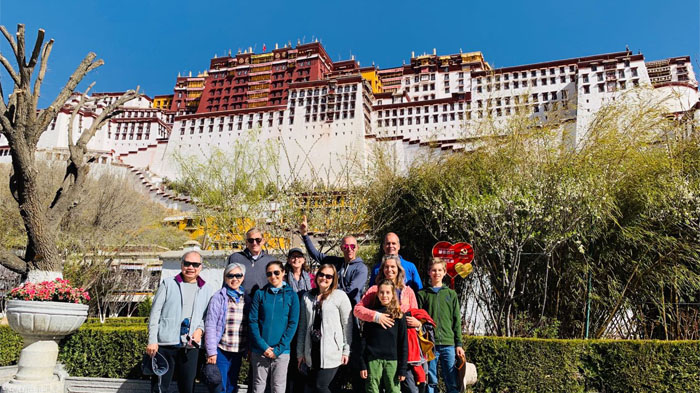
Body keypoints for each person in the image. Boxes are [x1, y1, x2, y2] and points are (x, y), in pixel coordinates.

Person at [299, 215, 368, 391]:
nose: (349, 249)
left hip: (350, 316)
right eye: (345, 246)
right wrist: (305, 235)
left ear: (357, 248)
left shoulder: (360, 268)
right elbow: (317, 255)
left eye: (352, 246)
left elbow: (353, 290)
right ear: (341, 248)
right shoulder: (336, 263)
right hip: (326, 316)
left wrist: (329, 293)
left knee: (352, 361)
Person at [146, 250, 214, 393]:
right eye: (187, 263)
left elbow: (207, 316)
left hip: (190, 346)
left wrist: (200, 330)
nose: (191, 267)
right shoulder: (168, 284)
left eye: (195, 264)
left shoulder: (206, 289)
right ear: (181, 264)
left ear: (201, 267)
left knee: (187, 387)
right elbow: (155, 313)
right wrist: (152, 340)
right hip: (165, 344)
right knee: (159, 387)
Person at [355, 255, 423, 393]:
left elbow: (416, 313)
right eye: (386, 266)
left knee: (407, 386)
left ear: (398, 269)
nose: (389, 269)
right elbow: (357, 310)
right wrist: (376, 316)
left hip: (401, 350)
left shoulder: (408, 291)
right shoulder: (374, 290)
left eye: (393, 267)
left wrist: (418, 323)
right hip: (376, 351)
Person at [297, 264, 353, 393]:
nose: (324, 278)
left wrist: (346, 350)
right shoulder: (307, 297)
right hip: (312, 352)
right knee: (312, 388)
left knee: (321, 386)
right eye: (321, 274)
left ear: (333, 279)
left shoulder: (340, 296)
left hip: (331, 352)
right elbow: (303, 327)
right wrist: (300, 353)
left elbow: (347, 326)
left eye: (329, 276)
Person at [249, 260, 300, 393]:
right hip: (260, 350)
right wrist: (263, 346)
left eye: (276, 272)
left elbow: (292, 324)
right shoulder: (259, 294)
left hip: (282, 351)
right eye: (269, 273)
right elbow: (253, 321)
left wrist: (278, 349)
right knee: (258, 386)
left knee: (278, 387)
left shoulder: (292, 296)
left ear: (283, 272)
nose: (273, 276)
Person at [417, 259, 465, 393]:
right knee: (431, 381)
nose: (436, 273)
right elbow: (419, 319)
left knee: (451, 380)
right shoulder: (422, 294)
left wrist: (459, 344)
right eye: (433, 270)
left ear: (444, 272)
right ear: (428, 272)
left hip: (448, 344)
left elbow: (456, 321)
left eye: (439, 270)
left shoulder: (451, 294)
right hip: (429, 345)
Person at [205, 263, 251, 393]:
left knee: (232, 384)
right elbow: (210, 325)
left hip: (238, 350)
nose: (234, 279)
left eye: (238, 275)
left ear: (243, 277)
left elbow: (249, 325)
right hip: (222, 349)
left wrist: (249, 348)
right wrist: (211, 351)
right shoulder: (218, 297)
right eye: (230, 275)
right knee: (219, 385)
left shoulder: (246, 299)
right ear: (225, 277)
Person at [359, 279, 408, 393]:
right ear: (377, 294)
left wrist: (403, 368)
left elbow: (403, 343)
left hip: (393, 361)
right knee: (372, 389)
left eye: (387, 292)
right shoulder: (372, 314)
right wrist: (363, 364)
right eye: (381, 292)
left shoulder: (399, 316)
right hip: (373, 360)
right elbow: (364, 341)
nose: (384, 295)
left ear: (392, 294)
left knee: (394, 390)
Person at [285, 247, 315, 393]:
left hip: (306, 321)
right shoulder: (284, 277)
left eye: (299, 256)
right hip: (289, 323)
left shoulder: (311, 278)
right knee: (291, 360)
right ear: (289, 260)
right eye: (293, 257)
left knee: (304, 358)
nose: (296, 259)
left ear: (304, 259)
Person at [227, 228, 276, 297]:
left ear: (263, 241)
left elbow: (276, 285)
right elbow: (227, 282)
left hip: (262, 303)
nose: (254, 243)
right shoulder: (235, 258)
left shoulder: (271, 261)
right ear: (246, 242)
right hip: (240, 303)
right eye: (251, 240)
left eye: (258, 240)